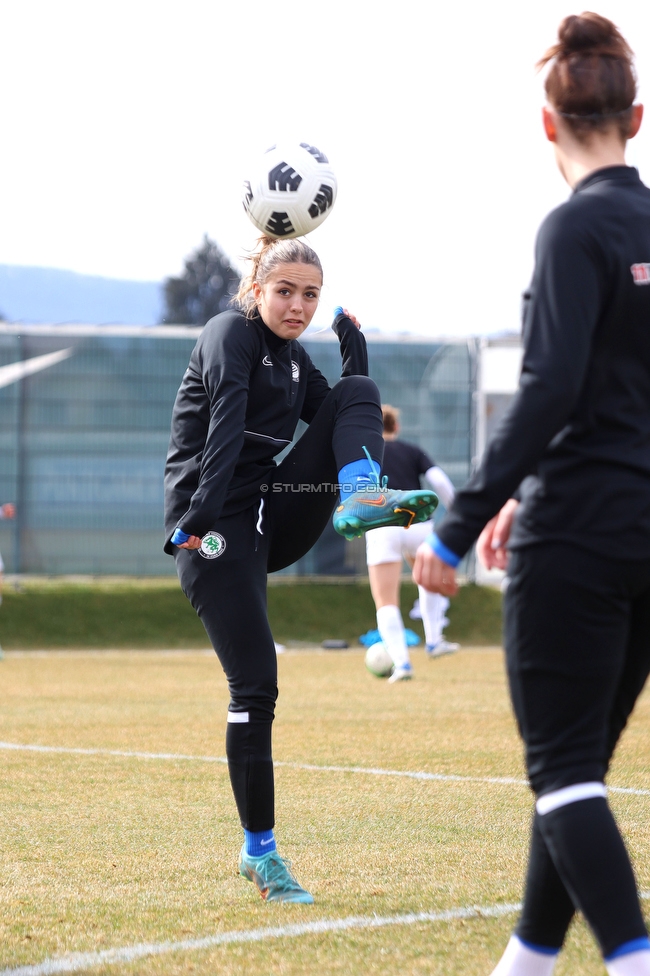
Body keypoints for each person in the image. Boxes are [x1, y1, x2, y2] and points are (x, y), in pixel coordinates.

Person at [414, 13, 650, 975]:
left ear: (547, 127)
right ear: (637, 115)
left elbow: (549, 386)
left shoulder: (574, 227)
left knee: (559, 774)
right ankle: (527, 961)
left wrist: (462, 517)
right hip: (641, 539)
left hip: (583, 538)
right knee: (578, 777)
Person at [164, 236, 436, 904]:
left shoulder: (293, 359)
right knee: (256, 685)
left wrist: (353, 347)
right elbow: (224, 428)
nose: (298, 305)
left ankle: (365, 494)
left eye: (310, 295)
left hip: (270, 514)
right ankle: (260, 854)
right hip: (212, 527)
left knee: (360, 388)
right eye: (284, 291)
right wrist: (195, 519)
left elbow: (342, 406)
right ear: (255, 289)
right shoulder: (229, 334)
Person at [365, 404, 459, 682]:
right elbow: (439, 482)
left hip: (382, 524)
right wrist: (458, 514)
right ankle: (434, 640)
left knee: (385, 600)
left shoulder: (365, 454)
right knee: (427, 580)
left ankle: (403, 664)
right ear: (397, 427)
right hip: (418, 523)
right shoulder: (412, 451)